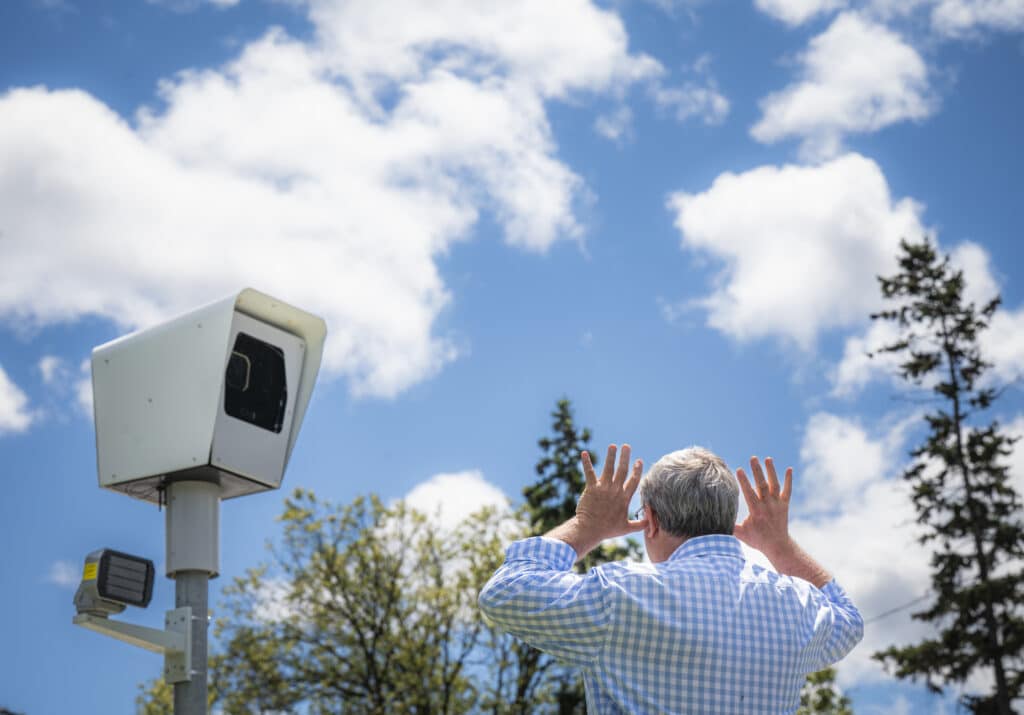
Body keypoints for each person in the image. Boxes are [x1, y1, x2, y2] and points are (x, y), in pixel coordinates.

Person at [478, 444, 863, 714]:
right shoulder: (794, 606)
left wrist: (587, 526)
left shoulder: (621, 597)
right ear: (729, 520)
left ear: (653, 521)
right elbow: (848, 621)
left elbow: (506, 591)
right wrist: (779, 546)